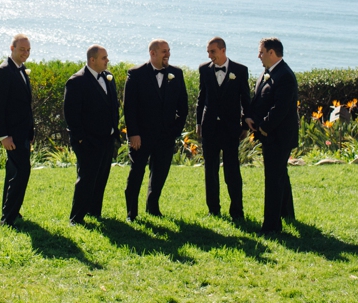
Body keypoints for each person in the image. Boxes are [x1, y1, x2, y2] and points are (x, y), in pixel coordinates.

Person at [123, 39, 188, 221]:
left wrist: (175, 131)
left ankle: (153, 207)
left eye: (168, 51)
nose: (167, 54)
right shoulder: (136, 74)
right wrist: (133, 134)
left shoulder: (177, 74)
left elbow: (183, 108)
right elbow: (129, 107)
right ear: (152, 53)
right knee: (136, 173)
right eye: (164, 51)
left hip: (165, 137)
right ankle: (131, 212)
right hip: (141, 137)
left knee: (159, 174)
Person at [245, 37, 299, 234]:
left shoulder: (284, 75)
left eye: (261, 52)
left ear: (271, 52)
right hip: (269, 134)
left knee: (273, 179)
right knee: (280, 175)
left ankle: (271, 226)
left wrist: (264, 127)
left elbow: (281, 107)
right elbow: (259, 99)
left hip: (279, 136)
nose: (258, 56)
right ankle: (286, 213)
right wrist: (249, 117)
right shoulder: (267, 73)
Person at [63, 44, 120, 224]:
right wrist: (80, 138)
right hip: (87, 140)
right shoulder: (76, 81)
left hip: (107, 138)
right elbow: (71, 113)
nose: (107, 61)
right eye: (104, 58)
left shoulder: (108, 77)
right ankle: (76, 217)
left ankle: (94, 211)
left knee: (101, 176)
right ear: (92, 60)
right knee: (86, 178)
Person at [196, 36, 250, 221]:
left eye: (213, 52)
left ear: (223, 50)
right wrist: (198, 123)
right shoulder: (204, 70)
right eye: (208, 52)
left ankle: (237, 210)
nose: (210, 55)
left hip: (230, 128)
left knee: (232, 170)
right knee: (210, 171)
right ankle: (213, 209)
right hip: (209, 127)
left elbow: (245, 100)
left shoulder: (240, 71)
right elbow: (201, 98)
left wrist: (244, 125)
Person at [0, 34, 35, 227]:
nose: (25, 53)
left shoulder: (21, 70)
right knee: (22, 171)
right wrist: (3, 136)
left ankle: (11, 211)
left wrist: (31, 132)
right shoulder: (4, 71)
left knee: (13, 172)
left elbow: (25, 105)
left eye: (28, 50)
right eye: (21, 50)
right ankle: (8, 219)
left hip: (23, 133)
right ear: (12, 48)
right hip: (12, 135)